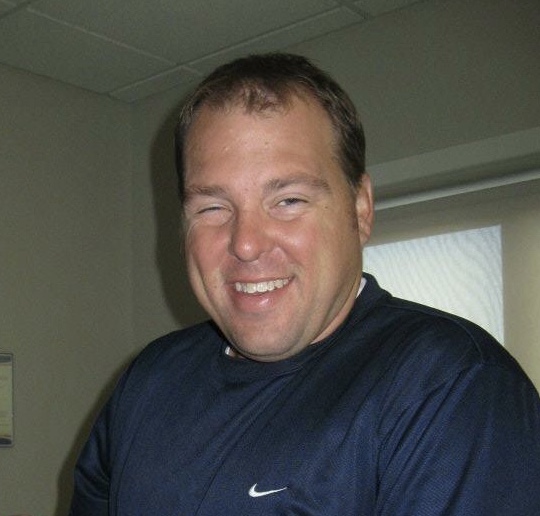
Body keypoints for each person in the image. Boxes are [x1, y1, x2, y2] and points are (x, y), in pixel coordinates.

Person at [69, 53, 540, 515]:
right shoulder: (149, 380)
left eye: (289, 200)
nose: (246, 244)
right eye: (212, 207)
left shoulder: (449, 388)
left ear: (360, 209)